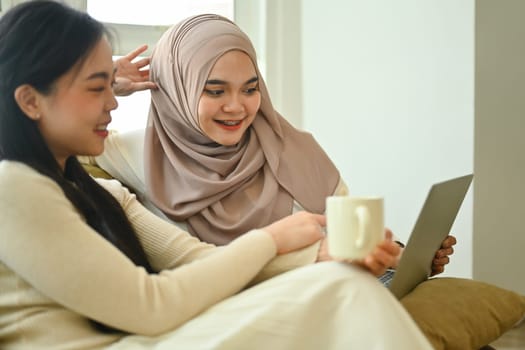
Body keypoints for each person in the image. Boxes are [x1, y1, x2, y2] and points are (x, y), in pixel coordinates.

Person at [0, 1, 433, 349]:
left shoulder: (94, 188)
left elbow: (196, 259)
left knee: (343, 286)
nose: (113, 102)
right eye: (99, 88)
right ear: (30, 100)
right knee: (345, 295)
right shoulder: (14, 187)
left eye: (111, 86)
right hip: (133, 334)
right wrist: (274, 237)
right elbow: (150, 305)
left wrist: (315, 255)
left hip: (140, 334)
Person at [93, 13, 455, 277]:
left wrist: (404, 259)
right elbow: (41, 137)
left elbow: (350, 245)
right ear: (176, 89)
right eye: (215, 91)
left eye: (251, 89)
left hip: (337, 289)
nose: (237, 107)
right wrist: (107, 79)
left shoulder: (295, 149)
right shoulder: (133, 153)